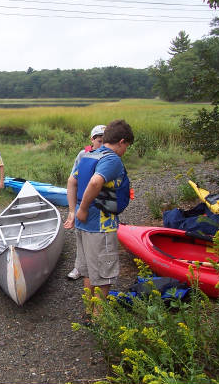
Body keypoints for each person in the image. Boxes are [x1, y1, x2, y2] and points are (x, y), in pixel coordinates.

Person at [65, 119, 134, 316]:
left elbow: (72, 181)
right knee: (104, 275)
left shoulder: (89, 155)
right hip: (100, 225)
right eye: (126, 146)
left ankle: (89, 311)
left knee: (88, 271)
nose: (125, 150)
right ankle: (99, 317)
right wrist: (84, 208)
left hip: (83, 224)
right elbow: (95, 182)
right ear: (121, 142)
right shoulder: (112, 159)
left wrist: (73, 210)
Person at [66, 124, 106, 280]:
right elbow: (72, 180)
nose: (102, 145)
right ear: (92, 140)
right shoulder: (83, 155)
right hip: (83, 201)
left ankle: (98, 270)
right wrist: (72, 210)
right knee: (80, 235)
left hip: (101, 205)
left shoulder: (109, 157)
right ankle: (79, 267)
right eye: (99, 141)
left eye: (105, 141)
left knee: (98, 239)